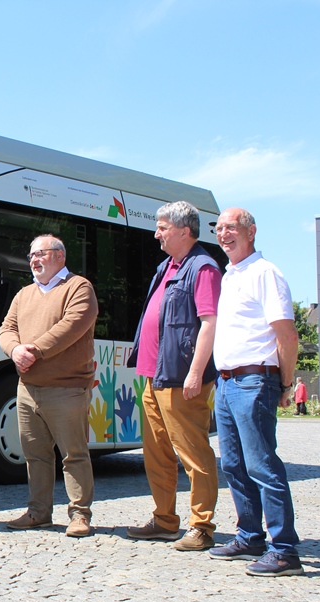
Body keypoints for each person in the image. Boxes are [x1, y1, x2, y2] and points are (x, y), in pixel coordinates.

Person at [208, 207, 303, 577]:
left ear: (251, 231)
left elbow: (287, 335)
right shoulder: (231, 275)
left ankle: (284, 550)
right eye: (219, 228)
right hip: (227, 381)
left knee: (262, 464)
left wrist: (284, 383)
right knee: (232, 464)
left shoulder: (266, 273)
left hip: (254, 381)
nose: (223, 233)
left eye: (232, 227)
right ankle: (250, 535)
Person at [125, 201, 221, 551]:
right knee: (157, 453)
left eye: (162, 227)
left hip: (182, 378)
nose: (156, 233)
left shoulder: (204, 268)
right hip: (154, 376)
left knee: (193, 453)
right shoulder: (166, 266)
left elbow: (210, 323)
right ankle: (165, 521)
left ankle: (202, 527)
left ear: (184, 230)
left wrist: (196, 374)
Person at [0, 234, 98, 537]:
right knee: (36, 455)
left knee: (73, 454)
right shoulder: (24, 294)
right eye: (30, 256)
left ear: (59, 256)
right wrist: (14, 350)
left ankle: (80, 515)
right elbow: (7, 328)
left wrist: (33, 351)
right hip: (28, 387)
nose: (33, 260)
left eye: (40, 254)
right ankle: (38, 512)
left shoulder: (79, 287)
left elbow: (73, 325)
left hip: (66, 387)